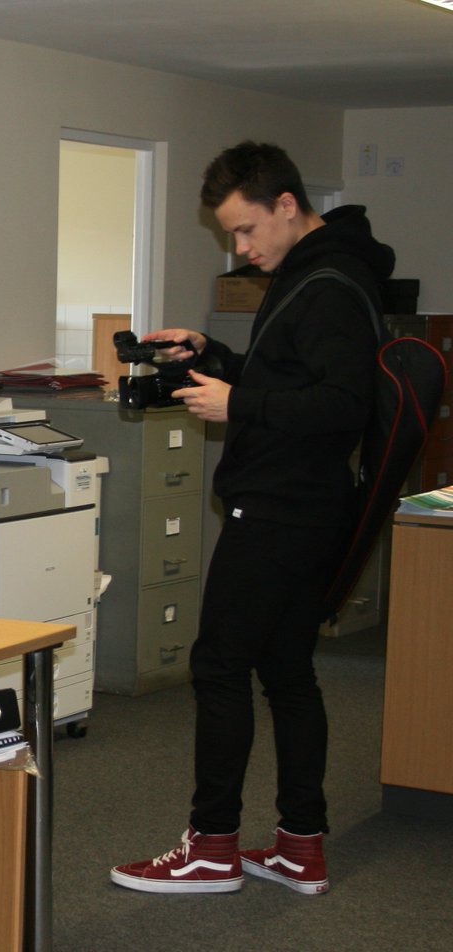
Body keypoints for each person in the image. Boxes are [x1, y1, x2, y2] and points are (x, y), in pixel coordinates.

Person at [110, 142, 394, 896]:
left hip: (279, 509)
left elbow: (342, 407)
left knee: (220, 666)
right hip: (306, 505)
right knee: (287, 671)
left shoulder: (328, 284)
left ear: (287, 207)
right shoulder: (316, 270)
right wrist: (217, 355)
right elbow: (297, 376)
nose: (240, 248)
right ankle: (302, 847)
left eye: (245, 230)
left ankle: (211, 847)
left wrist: (241, 404)